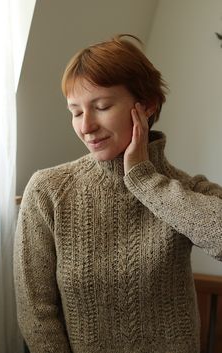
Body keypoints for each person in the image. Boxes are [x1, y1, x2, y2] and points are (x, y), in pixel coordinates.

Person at [13, 34, 222, 353]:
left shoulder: (185, 191)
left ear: (147, 104)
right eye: (76, 112)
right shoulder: (49, 191)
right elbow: (36, 311)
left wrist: (144, 179)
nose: (86, 127)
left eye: (101, 106)